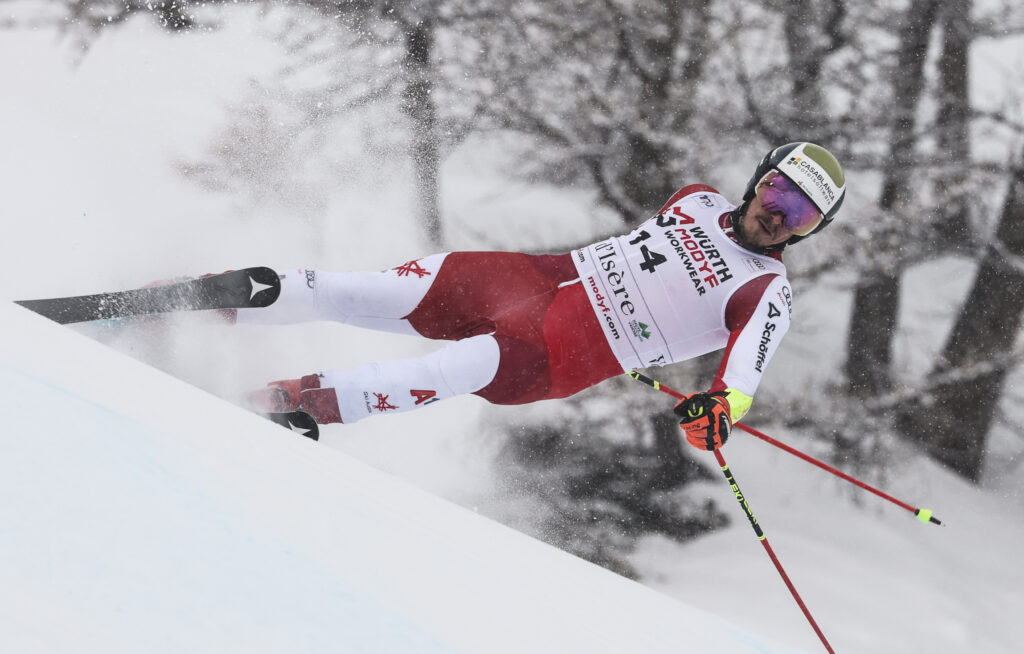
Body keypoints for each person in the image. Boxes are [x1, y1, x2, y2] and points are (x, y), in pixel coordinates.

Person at [241, 141, 846, 451]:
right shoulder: (696, 198)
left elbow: (740, 384)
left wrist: (718, 412)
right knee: (365, 291)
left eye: (800, 214)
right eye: (777, 191)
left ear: (809, 230)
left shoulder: (767, 290)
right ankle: (211, 301)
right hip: (529, 278)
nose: (778, 213)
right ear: (758, 180)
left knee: (454, 368)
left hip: (563, 348)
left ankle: (293, 403)